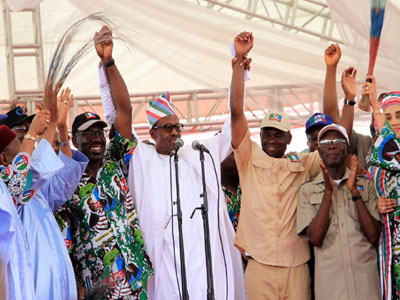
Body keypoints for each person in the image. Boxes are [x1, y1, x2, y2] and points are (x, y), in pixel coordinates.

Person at [98, 28, 245, 299]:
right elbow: (122, 112)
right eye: (167, 128)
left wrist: (238, 68)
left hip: (203, 267)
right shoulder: (142, 158)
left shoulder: (198, 155)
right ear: (152, 133)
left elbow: (234, 119)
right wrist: (109, 62)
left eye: (178, 126)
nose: (175, 132)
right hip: (164, 269)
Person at [56, 26, 153, 300]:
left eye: (99, 131)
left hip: (136, 277)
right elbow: (65, 237)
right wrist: (75, 280)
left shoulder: (116, 161)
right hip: (99, 285)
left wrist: (108, 61)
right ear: (75, 140)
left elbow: (125, 110)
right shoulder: (67, 181)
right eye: (88, 133)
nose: (97, 137)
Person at [230, 31, 321, 300]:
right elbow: (236, 111)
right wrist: (239, 61)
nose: (271, 138)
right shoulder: (249, 159)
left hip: (296, 266)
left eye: (277, 134)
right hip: (259, 265)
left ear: (289, 138)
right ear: (259, 136)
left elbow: (335, 139)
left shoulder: (303, 163)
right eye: (266, 133)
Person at [15, 88, 88, 300]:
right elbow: (34, 167)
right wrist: (51, 125)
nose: (30, 142)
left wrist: (60, 127)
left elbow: (64, 181)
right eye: (20, 138)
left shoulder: (35, 190)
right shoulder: (9, 189)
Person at [297, 123, 381, 299]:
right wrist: (328, 193)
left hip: (366, 287)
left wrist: (354, 192)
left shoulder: (366, 185)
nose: (332, 145)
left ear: (347, 148)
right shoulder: (307, 190)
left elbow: (373, 236)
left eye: (337, 141)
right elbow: (315, 238)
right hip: (331, 290)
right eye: (325, 143)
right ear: (319, 151)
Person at [363, 80, 400, 299]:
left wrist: (377, 106)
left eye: (399, 115)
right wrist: (375, 205)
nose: (394, 122)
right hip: (390, 256)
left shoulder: (386, 154)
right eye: (388, 117)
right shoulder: (374, 171)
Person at [322, 44, 374, 169]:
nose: (393, 122)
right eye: (387, 117)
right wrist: (331, 68)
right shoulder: (367, 145)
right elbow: (335, 124)